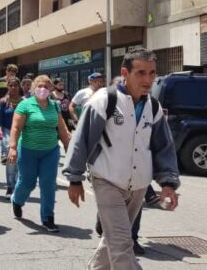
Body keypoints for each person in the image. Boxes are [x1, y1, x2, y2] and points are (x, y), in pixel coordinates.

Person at [63, 48, 180, 269]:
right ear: (125, 72)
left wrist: (167, 183)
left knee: (114, 240)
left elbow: (163, 147)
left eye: (152, 73)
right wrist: (74, 178)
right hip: (107, 180)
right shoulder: (104, 100)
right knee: (122, 244)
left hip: (138, 185)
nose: (148, 79)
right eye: (141, 73)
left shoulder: (152, 106)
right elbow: (82, 139)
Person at [7, 75, 71, 232]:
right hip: (28, 151)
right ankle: (17, 200)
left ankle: (47, 217)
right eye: (39, 86)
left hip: (50, 151)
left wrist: (69, 149)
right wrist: (13, 147)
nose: (43, 89)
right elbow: (16, 128)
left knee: (48, 184)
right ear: (34, 88)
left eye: (46, 86)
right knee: (27, 182)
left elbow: (62, 129)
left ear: (51, 89)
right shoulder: (25, 105)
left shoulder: (55, 106)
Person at [0, 77, 22, 196]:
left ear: (19, 86)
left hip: (21, 133)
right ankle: (10, 186)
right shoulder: (3, 102)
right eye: (11, 85)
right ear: (8, 87)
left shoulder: (24, 102)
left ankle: (16, 185)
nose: (13, 88)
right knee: (11, 159)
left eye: (15, 85)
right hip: (7, 131)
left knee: (18, 161)